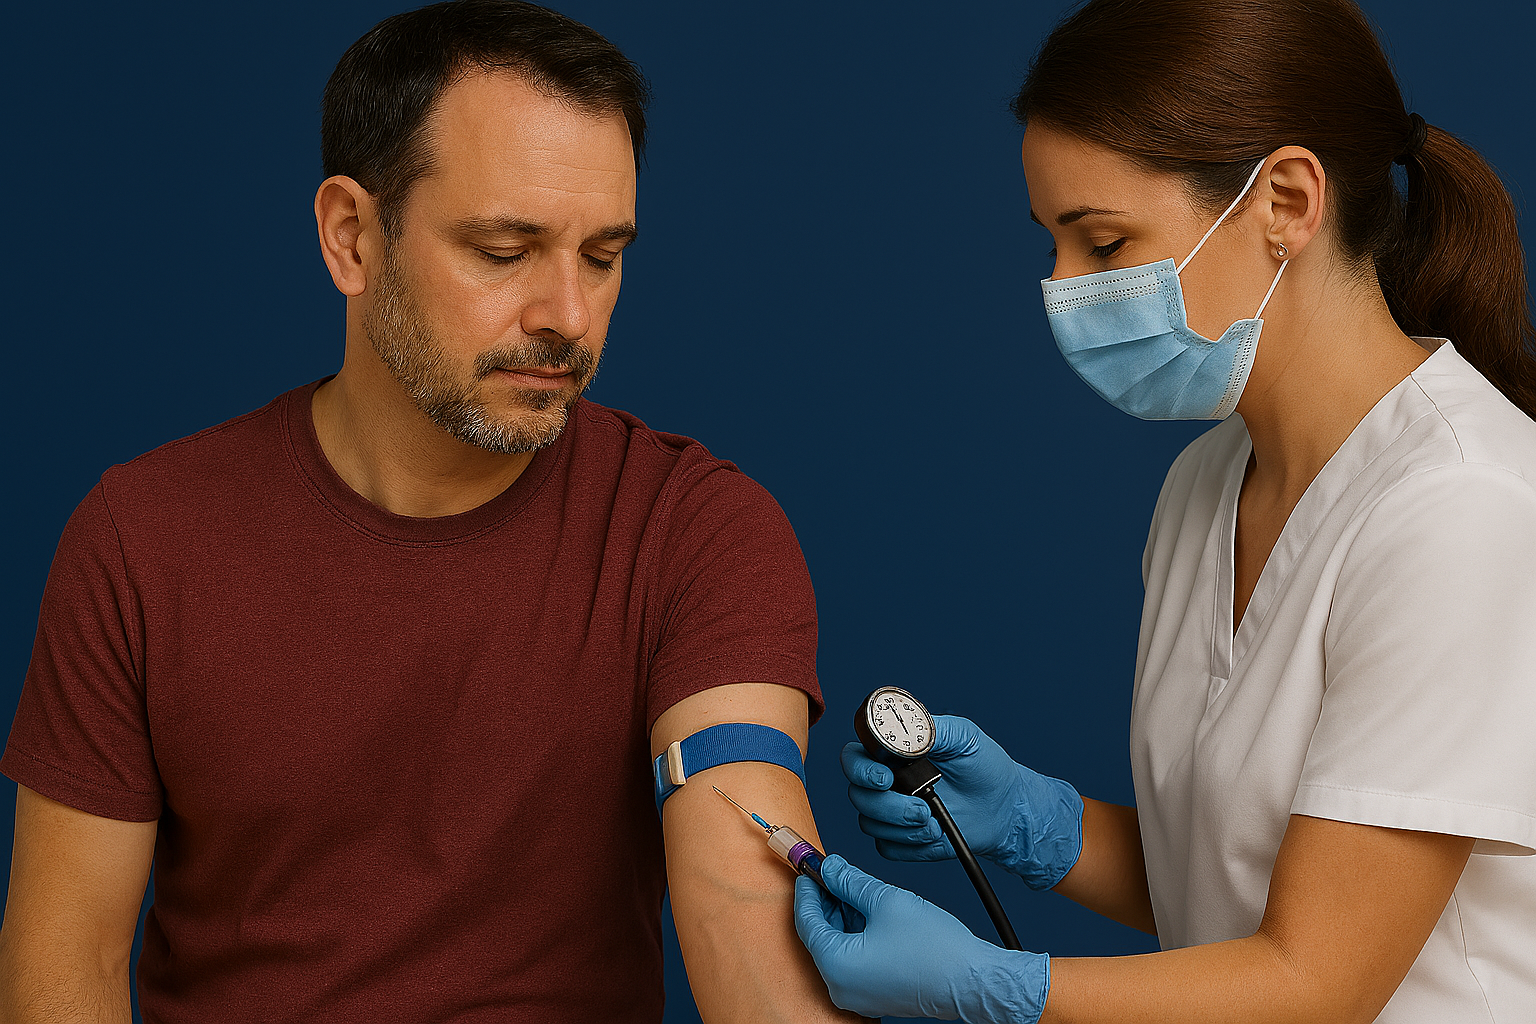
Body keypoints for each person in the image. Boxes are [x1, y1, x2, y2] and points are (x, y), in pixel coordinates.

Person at [0, 3, 863, 1022]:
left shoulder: (695, 531)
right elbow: (68, 959)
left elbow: (742, 892)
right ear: (352, 237)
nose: (568, 315)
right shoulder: (142, 539)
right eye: (503, 250)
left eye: (602, 255)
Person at [793, 0, 1536, 1021]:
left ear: (1286, 201)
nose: (1061, 290)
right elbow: (1232, 876)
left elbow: (1317, 980)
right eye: (1053, 246)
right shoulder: (1205, 483)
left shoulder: (1463, 506)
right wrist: (1037, 823)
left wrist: (998, 989)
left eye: (1102, 243)